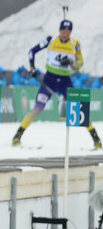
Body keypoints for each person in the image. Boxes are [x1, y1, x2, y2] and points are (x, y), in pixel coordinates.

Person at [13, 20, 102, 149]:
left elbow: (80, 62)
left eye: (68, 32)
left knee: (78, 108)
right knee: (38, 108)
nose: (65, 34)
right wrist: (32, 67)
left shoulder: (75, 44)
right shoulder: (51, 40)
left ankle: (96, 139)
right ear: (59, 30)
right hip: (50, 79)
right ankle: (17, 136)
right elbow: (32, 52)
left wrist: (71, 63)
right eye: (63, 31)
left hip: (66, 81)